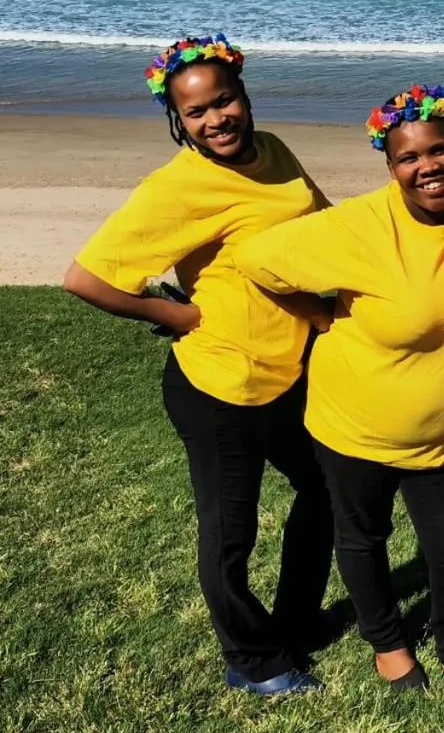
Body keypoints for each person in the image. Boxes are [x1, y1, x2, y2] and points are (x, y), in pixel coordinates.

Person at [62, 35, 335, 697]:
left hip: (288, 373)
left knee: (328, 490)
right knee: (229, 533)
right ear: (176, 121)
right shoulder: (181, 187)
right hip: (221, 386)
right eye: (196, 112)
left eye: (225, 101)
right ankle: (252, 660)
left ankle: (292, 626)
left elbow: (321, 224)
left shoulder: (273, 152)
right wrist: (177, 315)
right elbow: (87, 277)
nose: (216, 119)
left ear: (245, 95)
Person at [232, 85, 444, 698]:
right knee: (362, 539)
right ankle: (388, 644)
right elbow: (256, 259)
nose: (427, 166)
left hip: (442, 434)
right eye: (409, 157)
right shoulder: (361, 225)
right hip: (352, 425)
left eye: (440, 151)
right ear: (390, 166)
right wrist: (319, 315)